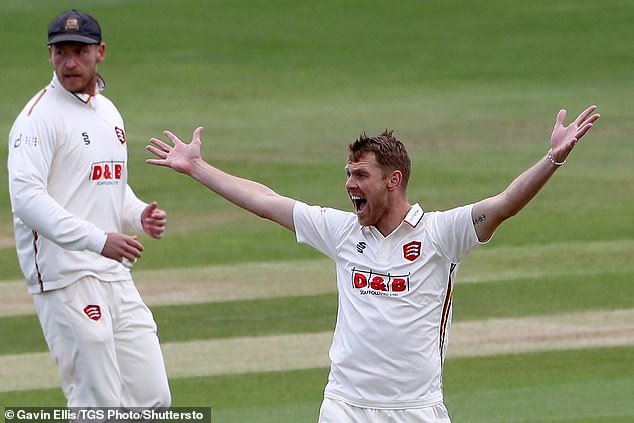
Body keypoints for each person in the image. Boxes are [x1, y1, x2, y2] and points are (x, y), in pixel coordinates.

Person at [145, 105, 599, 422]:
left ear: (393, 180)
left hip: (416, 410)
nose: (349, 184)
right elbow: (267, 201)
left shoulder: (439, 235)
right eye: (347, 174)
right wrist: (197, 168)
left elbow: (503, 204)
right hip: (344, 405)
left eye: (360, 174)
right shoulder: (343, 232)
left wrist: (552, 159)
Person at [7, 10, 171, 408]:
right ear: (49, 56)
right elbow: (26, 199)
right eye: (60, 52)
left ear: (100, 52)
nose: (69, 63)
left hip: (113, 272)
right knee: (98, 403)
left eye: (79, 52)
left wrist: (136, 214)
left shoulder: (108, 112)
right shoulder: (37, 119)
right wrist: (98, 240)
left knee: (153, 399)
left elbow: (105, 181)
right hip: (64, 277)